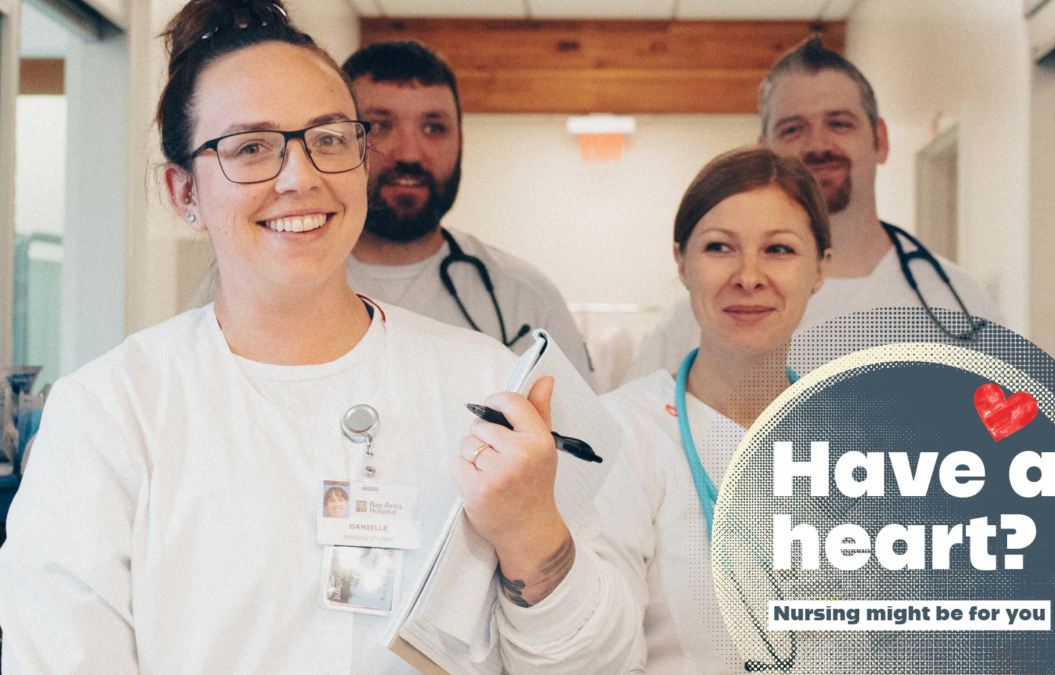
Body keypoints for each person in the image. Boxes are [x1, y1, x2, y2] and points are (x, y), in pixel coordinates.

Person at [0, 2, 631, 672]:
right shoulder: (108, 415)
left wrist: (535, 538)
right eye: (250, 147)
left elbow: (605, 662)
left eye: (329, 139)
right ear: (183, 191)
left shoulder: (484, 385)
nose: (301, 176)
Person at [625, 36, 1005, 382]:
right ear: (763, 150)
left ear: (881, 140)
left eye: (840, 124)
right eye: (793, 129)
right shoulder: (705, 314)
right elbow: (630, 445)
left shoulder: (958, 302)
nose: (817, 145)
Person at [595, 147, 832, 672]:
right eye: (720, 247)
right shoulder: (623, 434)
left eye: (779, 250)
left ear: (821, 268)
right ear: (682, 262)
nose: (749, 276)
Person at [340, 41, 595, 387]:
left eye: (434, 128)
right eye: (380, 125)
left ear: (460, 140)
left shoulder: (524, 299)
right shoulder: (292, 288)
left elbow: (582, 439)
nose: (410, 153)